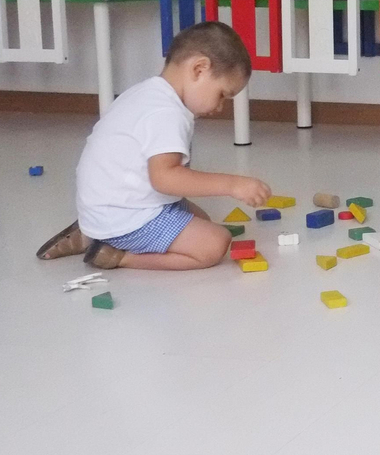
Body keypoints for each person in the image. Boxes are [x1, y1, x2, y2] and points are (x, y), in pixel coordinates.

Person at [35, 21, 272, 271]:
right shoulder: (165, 113)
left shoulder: (146, 93)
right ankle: (116, 255)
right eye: (222, 94)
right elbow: (165, 178)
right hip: (125, 215)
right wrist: (232, 185)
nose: (220, 107)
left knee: (202, 221)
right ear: (199, 69)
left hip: (108, 205)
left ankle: (92, 233)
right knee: (214, 243)